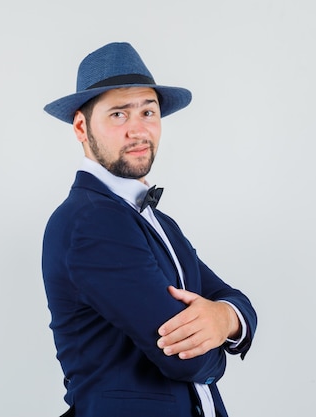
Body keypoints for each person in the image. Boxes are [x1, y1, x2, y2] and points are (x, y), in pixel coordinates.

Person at [41, 42, 257, 417]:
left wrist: (225, 318)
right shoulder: (93, 220)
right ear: (81, 126)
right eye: (119, 115)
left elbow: (230, 296)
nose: (138, 130)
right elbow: (186, 362)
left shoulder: (160, 222)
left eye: (148, 111)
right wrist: (218, 346)